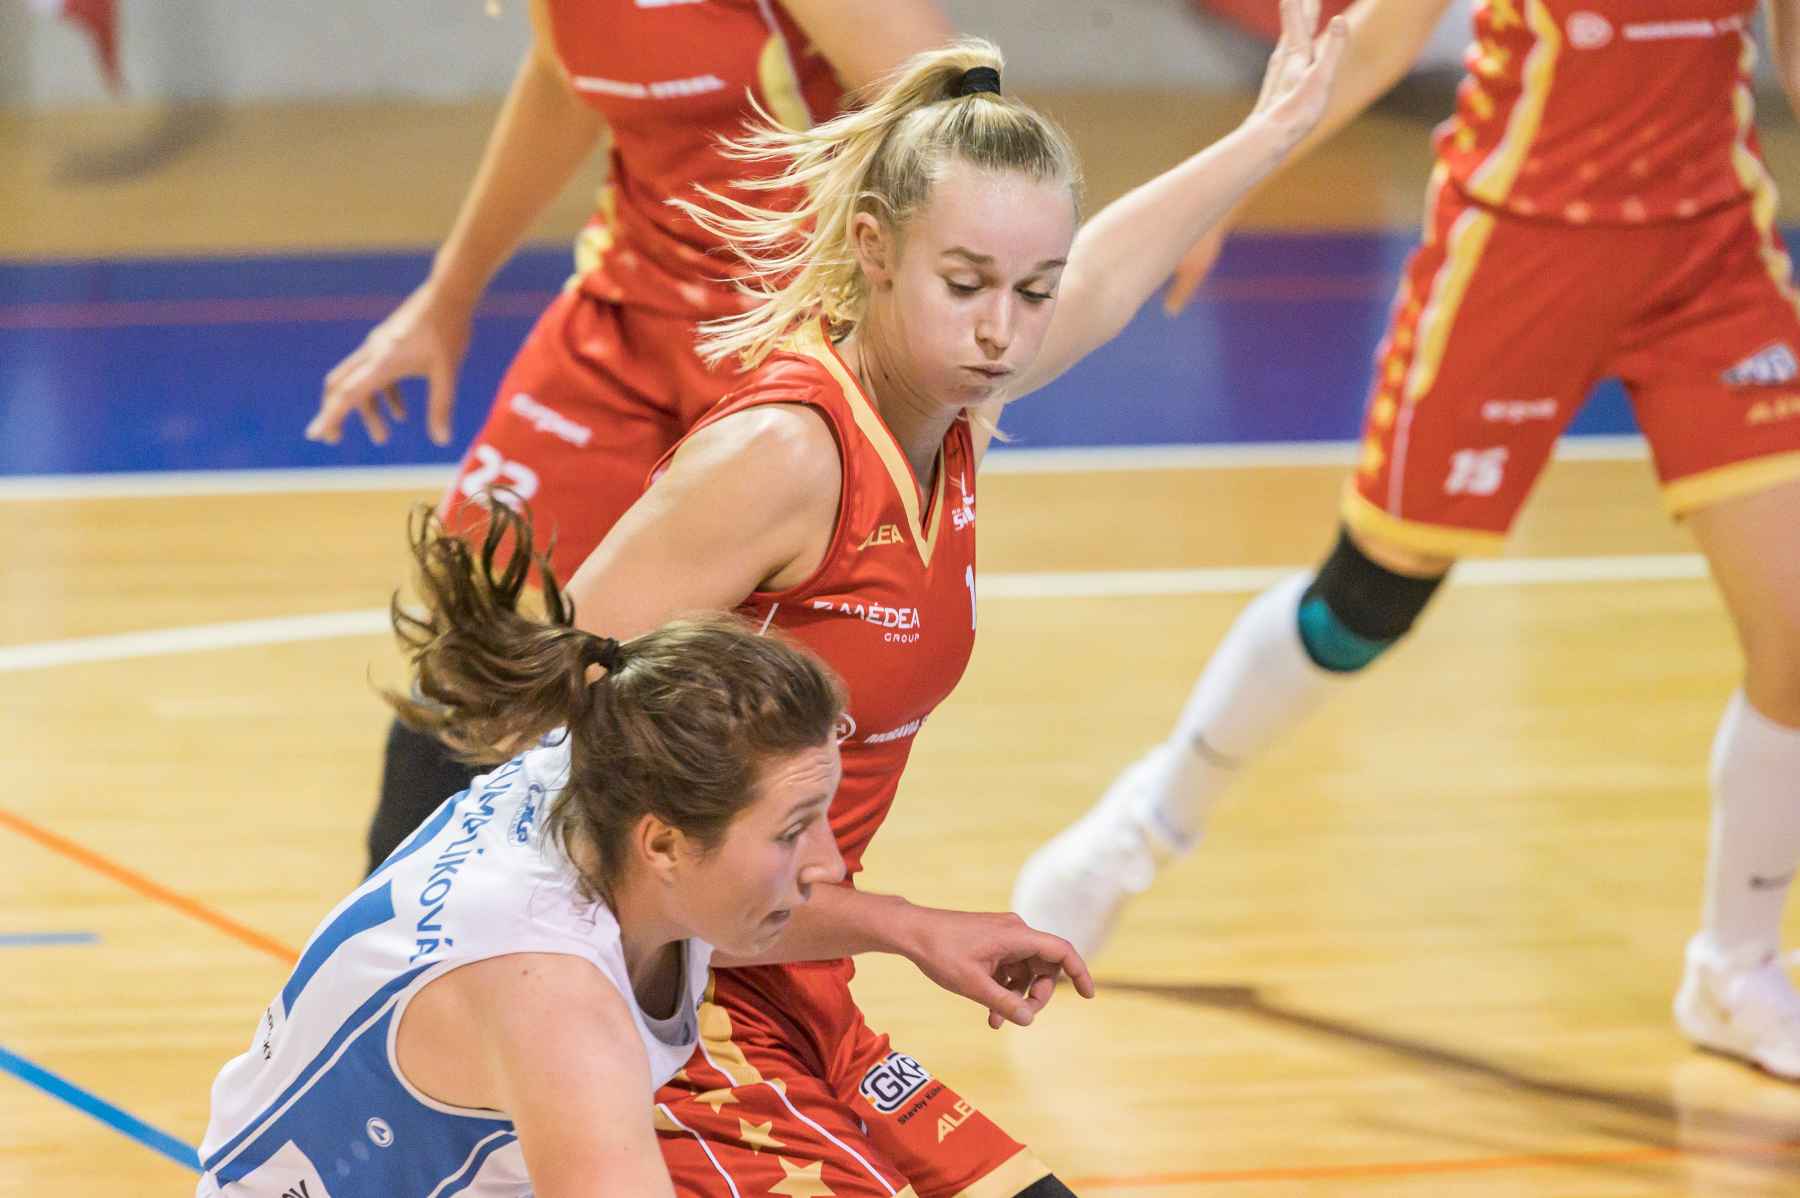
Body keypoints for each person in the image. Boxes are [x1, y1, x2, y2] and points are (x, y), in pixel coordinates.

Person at [545, 12, 1345, 1195]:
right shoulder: (787, 456)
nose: (1001, 328)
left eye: (1033, 291)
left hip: (799, 984)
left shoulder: (951, 402)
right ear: (873, 248)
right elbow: (549, 703)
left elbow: (1109, 276)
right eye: (966, 283)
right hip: (671, 1001)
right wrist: (905, 922)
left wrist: (1272, 132)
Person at [1013, 0, 1800, 1081]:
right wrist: (1221, 191)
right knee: (1365, 606)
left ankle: (1736, 965)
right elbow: (1379, 40)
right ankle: (1143, 827)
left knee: (1793, 624)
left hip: (1709, 257)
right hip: (1520, 250)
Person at [302, 0, 956, 874]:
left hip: (791, 344)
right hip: (627, 321)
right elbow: (562, 81)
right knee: (483, 650)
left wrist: (941, 355)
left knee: (725, 719)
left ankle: (706, 941)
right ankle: (399, 937)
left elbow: (955, 124)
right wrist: (449, 292)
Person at [197, 501, 853, 1197]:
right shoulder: (555, 1001)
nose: (830, 863)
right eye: (792, 831)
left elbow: (733, 895)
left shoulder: (603, 774)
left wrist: (906, 929)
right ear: (663, 844)